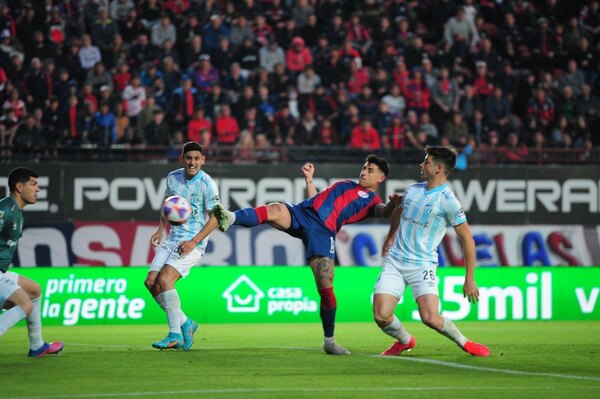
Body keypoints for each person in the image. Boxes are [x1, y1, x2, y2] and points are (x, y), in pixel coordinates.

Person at [211, 155, 400, 355]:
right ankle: (230, 218)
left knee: (325, 287)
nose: (364, 172)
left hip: (322, 231)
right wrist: (309, 180)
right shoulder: (345, 184)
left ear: (381, 178)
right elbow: (315, 199)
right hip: (304, 212)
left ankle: (330, 341)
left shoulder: (372, 201)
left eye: (370, 170)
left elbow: (383, 212)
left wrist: (392, 205)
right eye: (364, 168)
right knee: (273, 209)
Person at [373, 146, 489, 357]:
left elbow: (468, 240)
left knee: (430, 318)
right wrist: (391, 236)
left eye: (426, 162)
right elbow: (399, 211)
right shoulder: (412, 190)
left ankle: (464, 342)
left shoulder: (449, 202)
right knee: (381, 315)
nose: (421, 164)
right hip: (395, 261)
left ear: (439, 169)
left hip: (422, 265)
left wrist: (469, 279)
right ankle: (405, 341)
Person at [146, 141, 222, 350]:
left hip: (192, 243)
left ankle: (174, 335)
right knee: (151, 282)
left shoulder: (207, 185)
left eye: (197, 158)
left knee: (164, 280)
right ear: (182, 159)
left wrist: (194, 241)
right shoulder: (173, 177)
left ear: (203, 160)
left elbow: (216, 218)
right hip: (172, 239)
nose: (192, 162)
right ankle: (186, 323)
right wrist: (161, 229)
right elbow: (168, 204)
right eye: (189, 158)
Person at [0, 167, 64, 357]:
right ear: (19, 187)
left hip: (2, 272)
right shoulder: (5, 210)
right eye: (34, 184)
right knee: (25, 304)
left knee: (34, 290)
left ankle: (37, 345)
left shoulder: (16, 211)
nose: (38, 190)